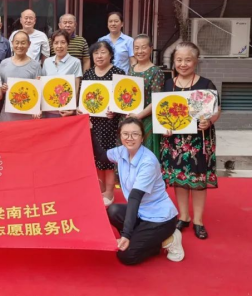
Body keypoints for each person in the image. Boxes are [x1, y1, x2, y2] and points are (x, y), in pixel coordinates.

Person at [92, 117, 184, 265]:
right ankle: (142, 239)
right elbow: (102, 156)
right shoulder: (121, 151)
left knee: (126, 256)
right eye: (125, 134)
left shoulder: (147, 161)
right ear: (120, 135)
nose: (130, 138)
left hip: (159, 219)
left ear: (142, 137)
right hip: (141, 213)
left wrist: (126, 235)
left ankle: (169, 239)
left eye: (135, 134)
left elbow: (135, 197)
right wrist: (89, 130)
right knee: (113, 211)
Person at [161, 42, 221, 240]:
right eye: (179, 60)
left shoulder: (206, 85)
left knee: (198, 181)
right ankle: (184, 216)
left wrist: (209, 121)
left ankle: (198, 221)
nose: (183, 64)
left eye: (188, 60)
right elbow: (162, 111)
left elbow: (216, 110)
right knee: (179, 179)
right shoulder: (168, 84)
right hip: (175, 141)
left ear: (196, 61)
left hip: (198, 141)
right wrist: (164, 127)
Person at [81, 40, 125, 207]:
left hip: (110, 123)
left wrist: (116, 110)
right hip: (92, 123)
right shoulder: (88, 74)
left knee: (108, 158)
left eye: (103, 52)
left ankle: (109, 192)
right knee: (96, 157)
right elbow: (82, 98)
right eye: (96, 53)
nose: (99, 56)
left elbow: (124, 99)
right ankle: (99, 190)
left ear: (111, 54)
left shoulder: (118, 73)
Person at [128, 34, 165, 159]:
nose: (140, 51)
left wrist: (139, 116)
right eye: (136, 48)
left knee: (144, 157)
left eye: (143, 47)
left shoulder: (156, 72)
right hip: (129, 118)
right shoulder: (131, 69)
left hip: (147, 120)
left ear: (151, 48)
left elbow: (156, 100)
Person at [0, 30, 42, 122]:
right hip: (7, 116)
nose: (19, 46)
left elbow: (38, 91)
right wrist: (2, 89)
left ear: (29, 44)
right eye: (17, 42)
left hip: (28, 117)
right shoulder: (4, 63)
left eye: (23, 43)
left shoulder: (35, 65)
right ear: (12, 43)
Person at [41, 30, 82, 119]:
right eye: (56, 43)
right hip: (48, 109)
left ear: (68, 44)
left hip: (66, 111)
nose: (59, 46)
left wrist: (72, 108)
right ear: (52, 45)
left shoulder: (75, 62)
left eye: (63, 42)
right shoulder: (47, 62)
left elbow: (76, 86)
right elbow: (43, 84)